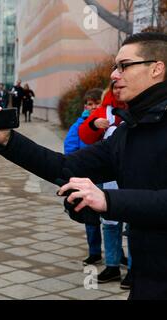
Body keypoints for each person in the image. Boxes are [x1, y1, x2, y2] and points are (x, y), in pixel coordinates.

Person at [0, 32, 167, 300]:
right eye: (115, 67)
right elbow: (65, 166)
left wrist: (108, 200)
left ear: (156, 68)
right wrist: (9, 140)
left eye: (124, 65)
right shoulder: (128, 132)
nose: (114, 75)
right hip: (147, 280)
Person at [79, 83, 132, 289]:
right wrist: (93, 125)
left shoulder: (141, 106)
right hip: (109, 177)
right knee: (109, 223)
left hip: (135, 175)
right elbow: (84, 134)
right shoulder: (104, 109)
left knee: (133, 225)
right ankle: (112, 265)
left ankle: (135, 270)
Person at [64, 88, 102, 267]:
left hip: (108, 176)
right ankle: (94, 251)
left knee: (113, 221)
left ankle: (116, 254)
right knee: (91, 217)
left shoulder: (109, 122)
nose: (93, 107)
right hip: (88, 175)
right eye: (89, 104)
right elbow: (70, 148)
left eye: (96, 103)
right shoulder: (80, 124)